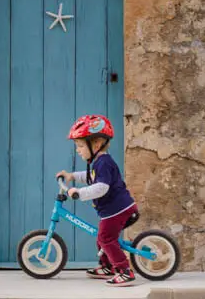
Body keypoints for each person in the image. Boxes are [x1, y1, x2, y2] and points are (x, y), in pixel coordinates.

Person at [56, 114, 138, 287]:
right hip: (113, 210)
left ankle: (124, 271)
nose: (78, 150)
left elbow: (101, 187)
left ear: (96, 144)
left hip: (119, 210)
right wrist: (71, 176)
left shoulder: (104, 163)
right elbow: (90, 177)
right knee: (101, 237)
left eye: (80, 145)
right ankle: (107, 267)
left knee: (106, 238)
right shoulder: (98, 163)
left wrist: (79, 193)